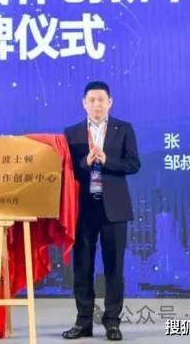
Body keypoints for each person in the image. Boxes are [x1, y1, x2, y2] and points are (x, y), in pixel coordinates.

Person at [62, 81, 141, 341]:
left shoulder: (123, 129)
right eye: (92, 100)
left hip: (114, 209)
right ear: (84, 103)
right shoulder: (71, 133)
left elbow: (133, 164)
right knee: (82, 267)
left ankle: (112, 322)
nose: (97, 104)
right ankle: (83, 322)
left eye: (101, 100)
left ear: (110, 102)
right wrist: (85, 162)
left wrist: (107, 160)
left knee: (114, 268)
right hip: (83, 208)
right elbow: (65, 168)